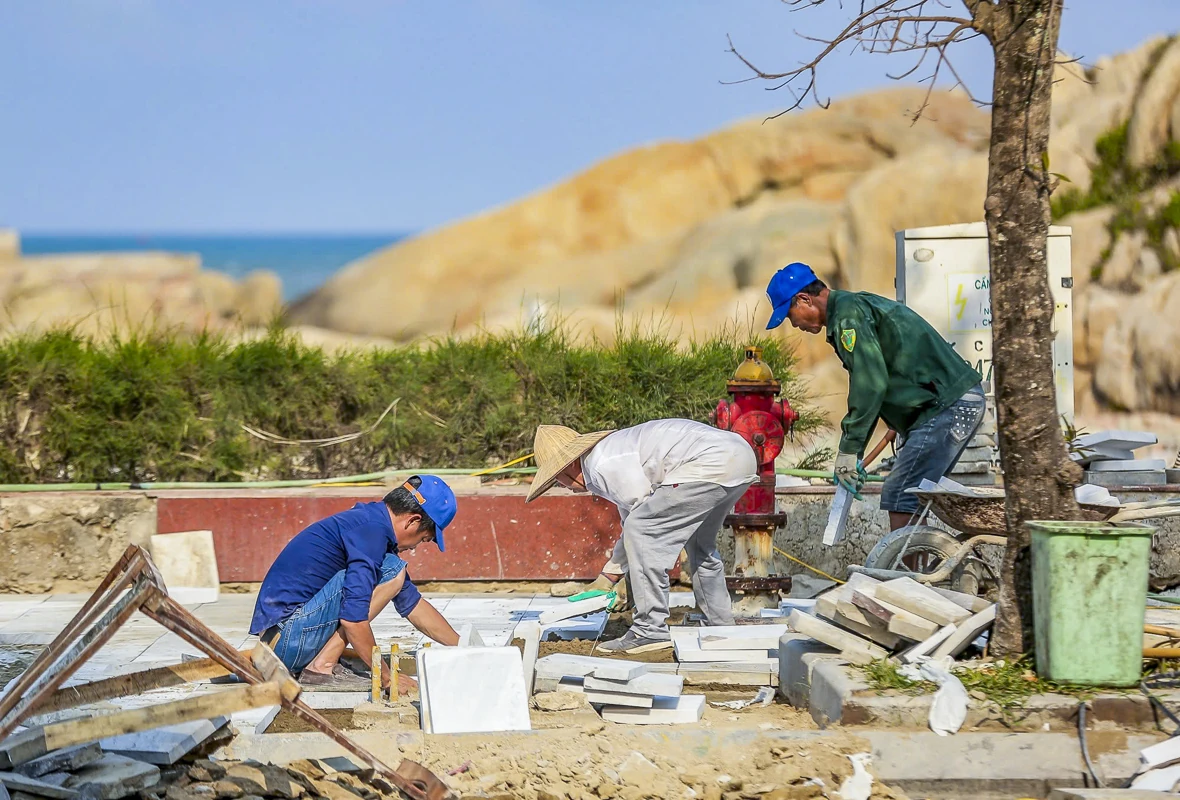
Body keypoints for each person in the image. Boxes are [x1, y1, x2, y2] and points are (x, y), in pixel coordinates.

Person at [764, 262, 986, 531]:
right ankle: (920, 565)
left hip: (948, 407)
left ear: (804, 299)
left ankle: (910, 573)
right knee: (910, 494)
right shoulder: (849, 308)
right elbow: (891, 369)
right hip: (943, 405)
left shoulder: (847, 318)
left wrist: (849, 450)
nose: (794, 324)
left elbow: (870, 382)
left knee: (900, 493)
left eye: (790, 315)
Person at [526, 419, 757, 655]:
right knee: (699, 545)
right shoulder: (607, 455)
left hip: (709, 463)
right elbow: (636, 521)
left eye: (556, 479)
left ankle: (649, 630)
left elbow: (641, 526)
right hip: (739, 458)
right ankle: (719, 625)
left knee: (643, 530)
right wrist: (608, 577)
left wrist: (626, 583)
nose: (561, 486)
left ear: (569, 465)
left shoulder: (603, 465)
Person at [249, 475, 460, 692]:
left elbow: (412, 604)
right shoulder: (370, 532)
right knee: (393, 570)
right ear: (412, 521)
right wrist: (387, 678)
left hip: (280, 642)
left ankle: (322, 660)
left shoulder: (372, 526)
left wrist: (464, 647)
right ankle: (322, 666)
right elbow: (353, 620)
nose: (415, 547)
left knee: (393, 570)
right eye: (424, 539)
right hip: (285, 644)